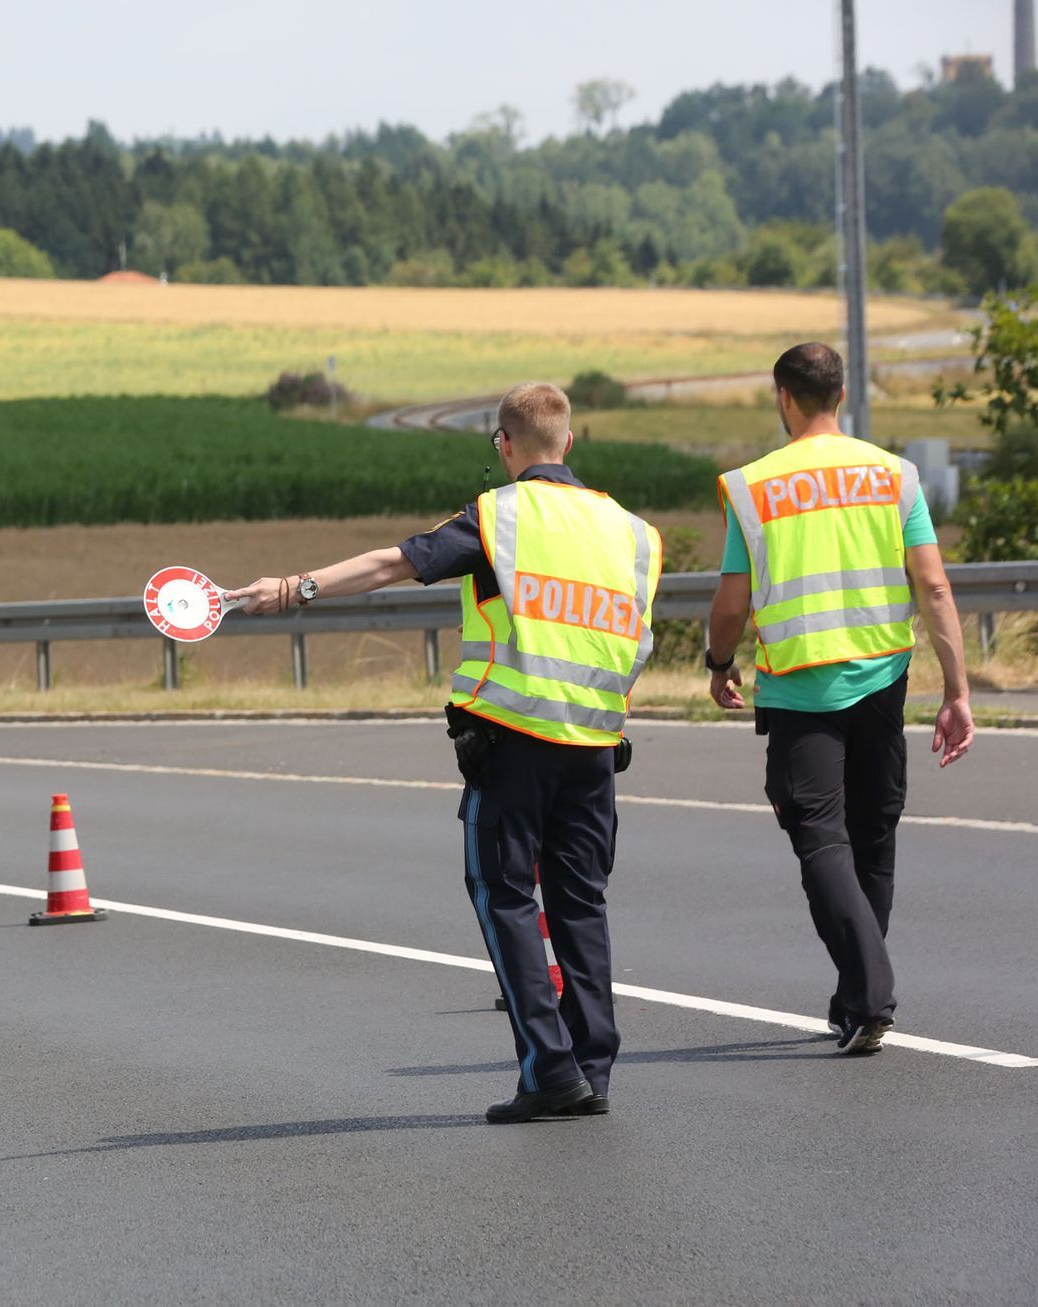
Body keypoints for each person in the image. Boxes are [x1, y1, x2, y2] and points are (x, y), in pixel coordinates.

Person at [226, 381, 662, 1123]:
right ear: (570, 442)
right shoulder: (633, 533)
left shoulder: (500, 516)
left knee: (505, 897)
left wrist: (293, 588)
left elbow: (393, 563)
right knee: (580, 905)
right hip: (595, 745)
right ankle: (592, 1065)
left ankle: (550, 1072)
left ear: (503, 445)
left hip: (516, 738)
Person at [707, 343, 973, 1056]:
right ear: (841, 394)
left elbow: (730, 601)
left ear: (783, 398)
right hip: (883, 681)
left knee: (820, 836)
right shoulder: (894, 474)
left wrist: (717, 661)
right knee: (873, 835)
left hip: (799, 686)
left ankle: (869, 989)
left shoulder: (755, 484)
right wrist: (956, 689)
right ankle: (858, 994)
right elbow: (934, 586)